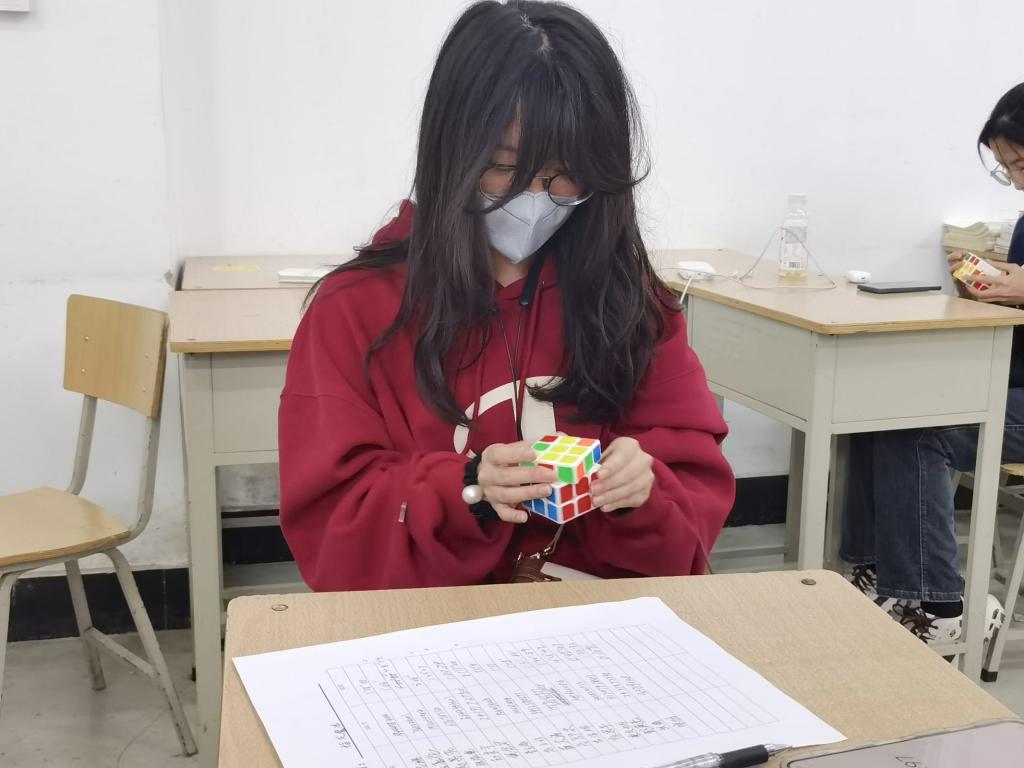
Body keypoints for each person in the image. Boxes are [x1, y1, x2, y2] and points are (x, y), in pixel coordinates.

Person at [277, 0, 735, 591]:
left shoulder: (627, 300)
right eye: (503, 167)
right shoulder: (357, 309)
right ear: (452, 153)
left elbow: (693, 490)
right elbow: (333, 520)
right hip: (429, 622)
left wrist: (644, 489)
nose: (536, 198)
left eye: (565, 173)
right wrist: (467, 491)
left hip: (595, 616)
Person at [841, 82, 1024, 643]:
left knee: (920, 432)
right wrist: (988, 288)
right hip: (1010, 382)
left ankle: (939, 607)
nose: (1017, 181)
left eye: (1020, 164)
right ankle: (879, 575)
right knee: (878, 408)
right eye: (1007, 170)